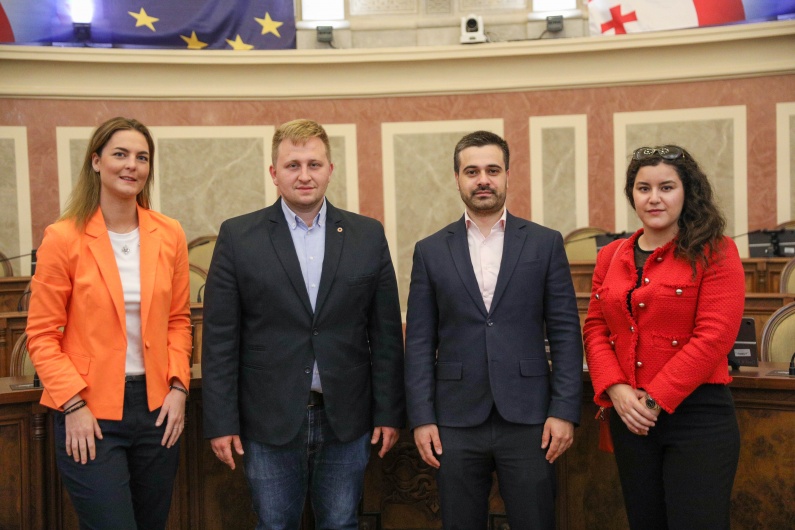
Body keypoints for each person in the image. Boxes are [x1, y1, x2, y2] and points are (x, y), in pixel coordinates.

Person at [201, 118, 405, 529]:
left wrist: (389, 412)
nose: (304, 175)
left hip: (347, 417)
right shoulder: (239, 236)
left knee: (341, 523)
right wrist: (221, 422)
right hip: (267, 418)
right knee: (275, 525)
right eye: (292, 165)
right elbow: (220, 339)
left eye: (314, 164)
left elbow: (385, 335)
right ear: (274, 173)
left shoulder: (368, 235)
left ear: (330, 169)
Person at [404, 130, 583, 530]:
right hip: (454, 420)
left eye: (492, 170)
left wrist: (563, 411)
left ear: (507, 176)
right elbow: (418, 342)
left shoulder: (544, 243)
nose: (483, 179)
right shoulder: (430, 251)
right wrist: (421, 417)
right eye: (472, 171)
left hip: (531, 420)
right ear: (457, 178)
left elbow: (566, 334)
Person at [26, 117, 192, 529]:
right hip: (89, 409)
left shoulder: (169, 233)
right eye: (120, 154)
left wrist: (178, 387)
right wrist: (73, 404)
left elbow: (178, 320)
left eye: (142, 157)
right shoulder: (63, 237)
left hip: (157, 409)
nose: (132, 165)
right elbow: (42, 335)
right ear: (96, 161)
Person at [583, 145, 745, 529]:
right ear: (632, 194)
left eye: (666, 187)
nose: (654, 198)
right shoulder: (610, 255)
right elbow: (595, 328)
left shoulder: (716, 250)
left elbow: (714, 338)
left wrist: (654, 400)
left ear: (687, 192)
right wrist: (616, 390)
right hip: (631, 419)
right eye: (643, 188)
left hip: (697, 419)